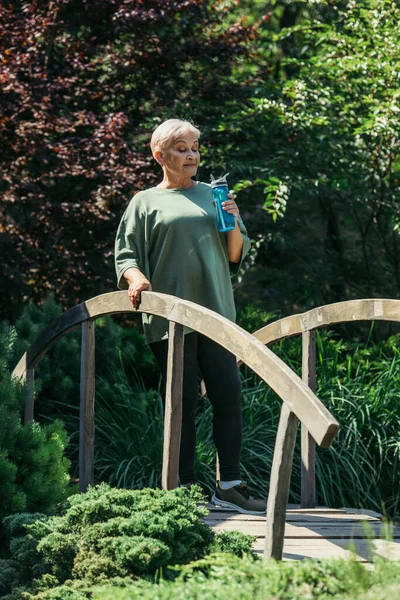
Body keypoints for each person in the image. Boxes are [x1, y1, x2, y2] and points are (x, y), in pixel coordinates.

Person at [115, 118, 266, 515]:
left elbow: (235, 254)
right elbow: (126, 255)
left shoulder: (214, 196)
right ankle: (183, 487)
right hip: (170, 321)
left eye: (195, 147)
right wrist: (135, 278)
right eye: (182, 148)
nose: (192, 155)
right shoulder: (144, 202)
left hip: (216, 312)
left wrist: (232, 218)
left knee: (228, 395)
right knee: (181, 402)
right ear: (159, 155)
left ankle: (230, 486)